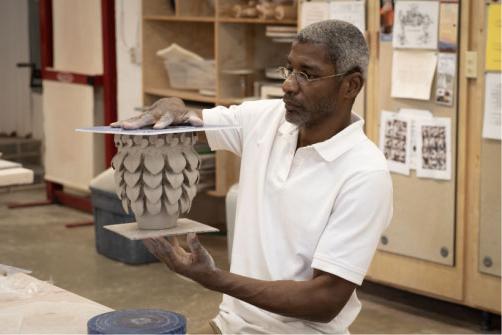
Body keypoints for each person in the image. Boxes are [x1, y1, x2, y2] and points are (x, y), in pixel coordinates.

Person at [112, 20, 393, 334]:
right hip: (231, 325)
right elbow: (190, 121)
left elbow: (325, 300)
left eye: (307, 74)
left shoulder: (365, 173)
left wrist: (213, 277)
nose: (288, 85)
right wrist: (171, 107)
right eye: (288, 70)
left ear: (351, 86)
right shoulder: (267, 119)